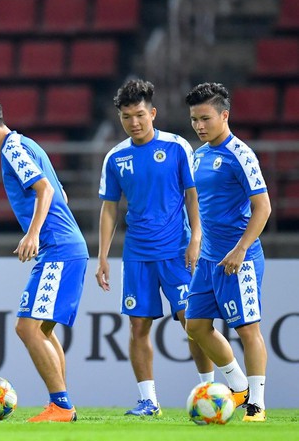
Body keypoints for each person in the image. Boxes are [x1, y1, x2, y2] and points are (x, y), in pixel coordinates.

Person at [0, 94, 88, 423]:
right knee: (42, 330)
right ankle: (62, 404)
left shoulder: (13, 149)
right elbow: (62, 193)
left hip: (57, 248)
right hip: (66, 245)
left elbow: (45, 190)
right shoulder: (29, 144)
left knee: (26, 328)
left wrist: (33, 233)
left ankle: (61, 405)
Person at [95, 79, 214, 416]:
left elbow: (193, 196)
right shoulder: (116, 158)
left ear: (153, 113)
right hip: (137, 255)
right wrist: (103, 256)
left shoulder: (177, 147)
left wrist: (196, 239)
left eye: (140, 115)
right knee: (137, 326)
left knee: (192, 322)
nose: (134, 122)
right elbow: (109, 208)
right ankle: (149, 401)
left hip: (177, 251)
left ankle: (208, 388)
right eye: (127, 116)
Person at [184, 82, 271, 422]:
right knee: (195, 326)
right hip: (209, 258)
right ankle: (238, 386)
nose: (199, 126)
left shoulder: (241, 154)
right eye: (193, 120)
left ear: (224, 115)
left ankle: (257, 405)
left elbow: (262, 207)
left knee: (248, 330)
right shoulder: (199, 154)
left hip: (240, 259)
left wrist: (241, 249)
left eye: (205, 119)